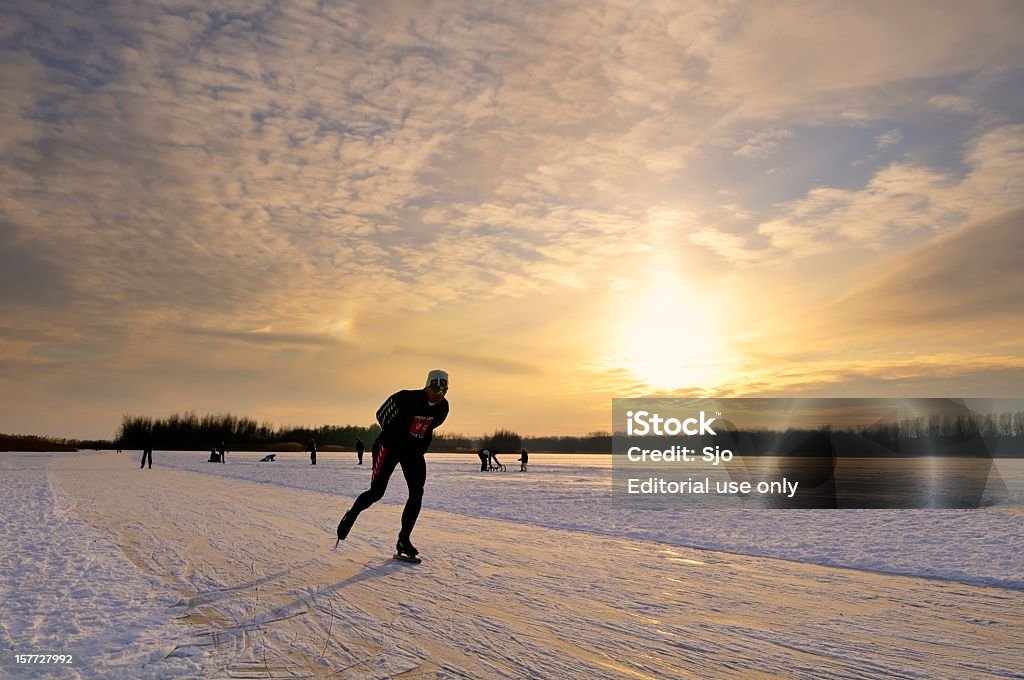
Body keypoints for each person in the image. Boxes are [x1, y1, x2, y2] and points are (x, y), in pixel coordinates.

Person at [336, 369, 450, 559]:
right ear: (427, 386)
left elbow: (431, 426)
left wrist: (415, 443)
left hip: (413, 452)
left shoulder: (443, 408)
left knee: (417, 493)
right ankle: (352, 513)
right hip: (389, 447)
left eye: (444, 391)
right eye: (436, 390)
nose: (440, 395)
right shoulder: (405, 398)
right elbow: (381, 414)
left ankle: (404, 540)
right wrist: (394, 435)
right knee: (377, 492)